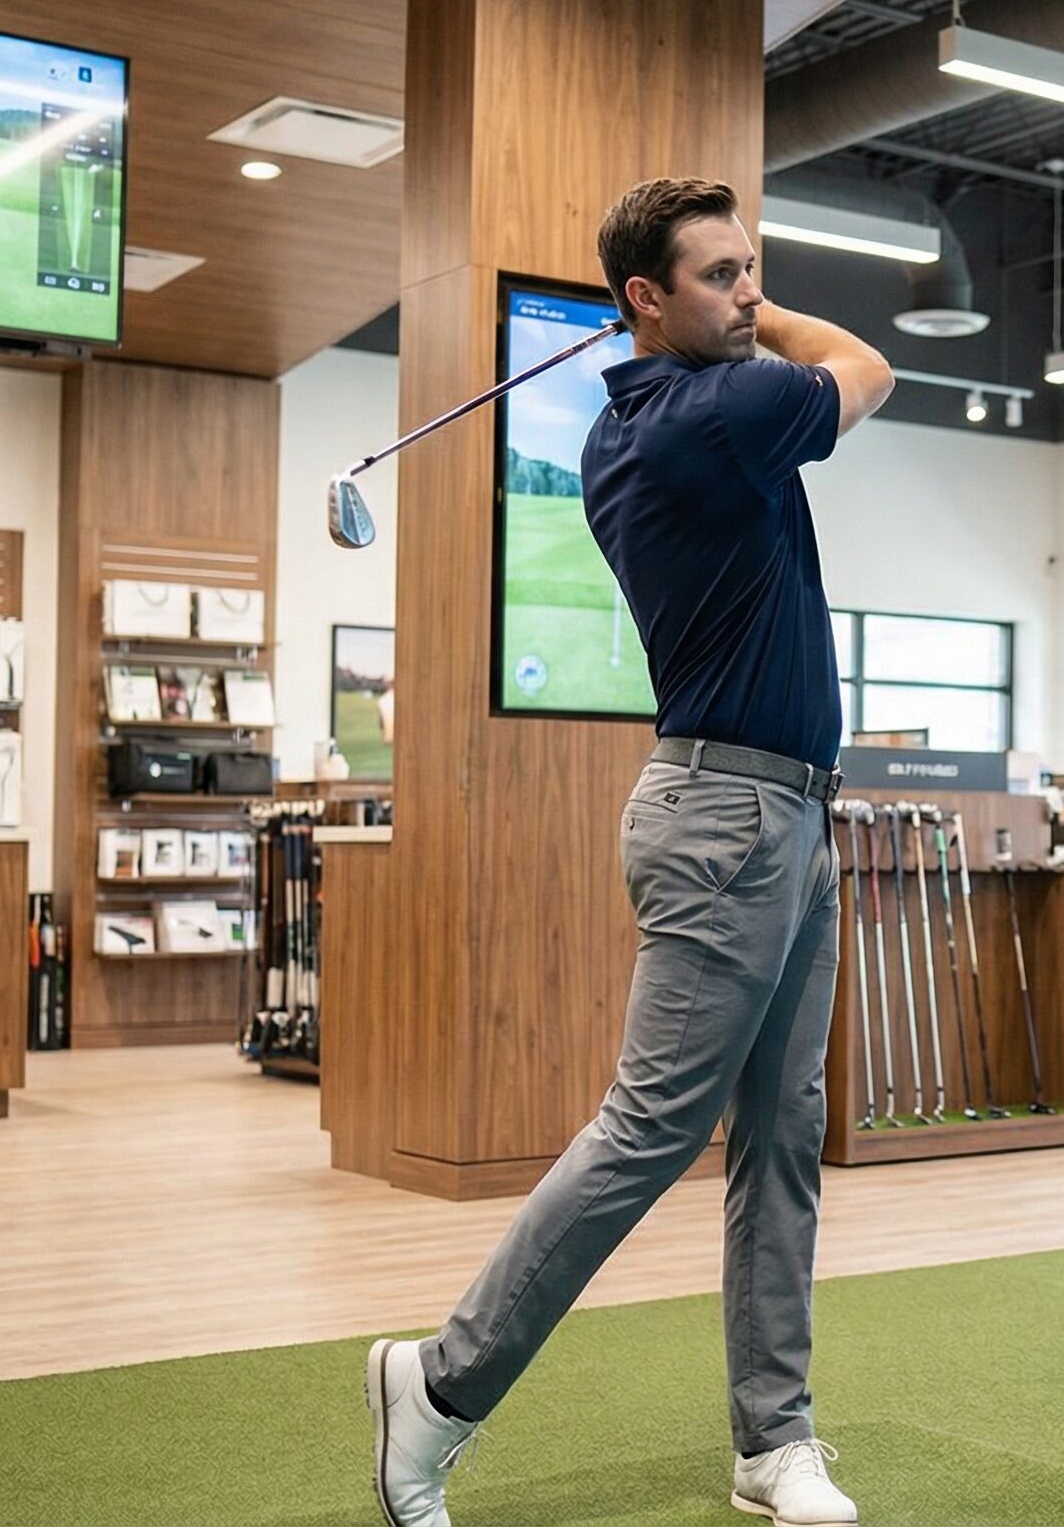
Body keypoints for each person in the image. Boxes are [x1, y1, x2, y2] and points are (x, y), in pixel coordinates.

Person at [366, 177, 894, 1527]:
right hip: (725, 821)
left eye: (753, 270)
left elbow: (788, 362)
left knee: (779, 1136)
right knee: (648, 1132)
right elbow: (867, 366)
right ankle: (437, 1386)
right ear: (644, 301)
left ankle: (773, 1440)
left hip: (781, 811)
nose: (748, 294)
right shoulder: (707, 419)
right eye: (721, 276)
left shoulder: (652, 416)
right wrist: (772, 319)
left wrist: (728, 310)